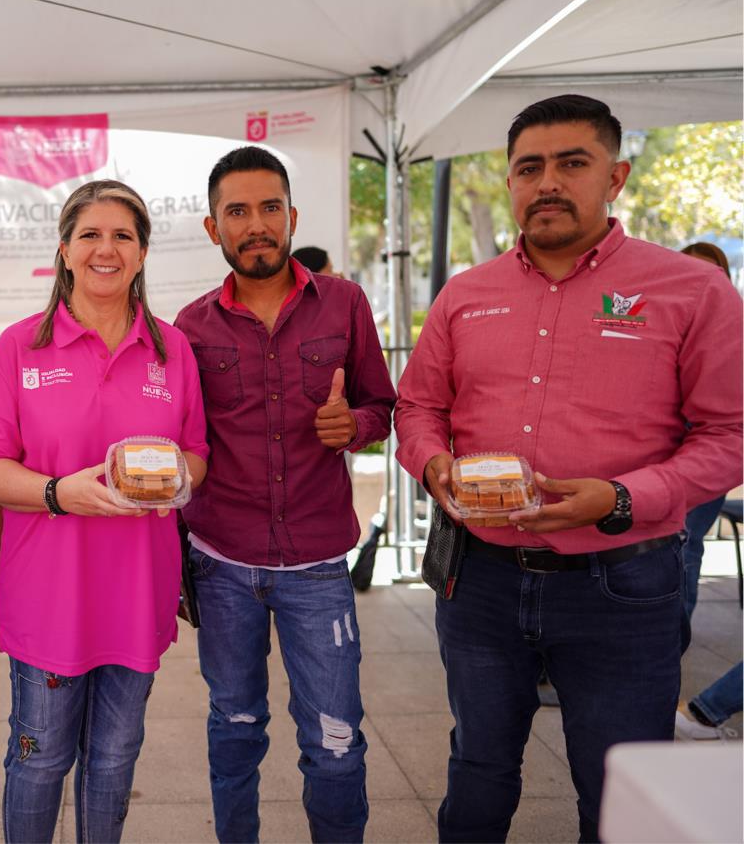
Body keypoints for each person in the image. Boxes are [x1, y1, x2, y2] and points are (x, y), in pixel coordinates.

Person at [394, 94, 744, 842]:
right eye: (529, 167)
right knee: (479, 772)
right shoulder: (466, 295)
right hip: (481, 581)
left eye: (571, 163)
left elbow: (729, 434)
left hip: (621, 583)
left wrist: (621, 498)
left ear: (615, 176)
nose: (547, 182)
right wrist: (435, 468)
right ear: (511, 181)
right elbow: (417, 407)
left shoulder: (691, 289)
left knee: (620, 789)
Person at [0, 179, 209, 843]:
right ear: (66, 251)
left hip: (137, 589)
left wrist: (172, 479)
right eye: (91, 235)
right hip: (47, 592)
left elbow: (196, 453)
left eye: (123, 236)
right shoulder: (19, 347)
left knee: (113, 757)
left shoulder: (172, 350)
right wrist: (57, 493)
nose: (107, 248)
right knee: (40, 757)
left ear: (142, 253)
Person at [174, 146, 395, 843]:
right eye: (237, 211)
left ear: (292, 216)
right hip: (222, 563)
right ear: (214, 229)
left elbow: (383, 407)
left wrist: (353, 425)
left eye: (270, 207)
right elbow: (181, 442)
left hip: (317, 568)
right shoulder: (190, 326)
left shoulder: (347, 303)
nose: (256, 223)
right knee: (234, 730)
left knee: (334, 745)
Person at [676, 240, 732, 630]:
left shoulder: (732, 330)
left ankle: (668, 648)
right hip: (653, 458)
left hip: (704, 459)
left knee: (685, 547)